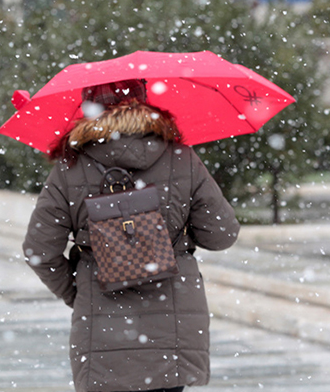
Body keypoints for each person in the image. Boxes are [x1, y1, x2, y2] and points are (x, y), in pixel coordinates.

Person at [21, 80, 240, 392]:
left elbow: (39, 250)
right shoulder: (181, 158)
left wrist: (77, 291)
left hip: (102, 327)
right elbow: (222, 234)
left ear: (88, 107)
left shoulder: (70, 167)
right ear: (145, 103)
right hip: (173, 329)